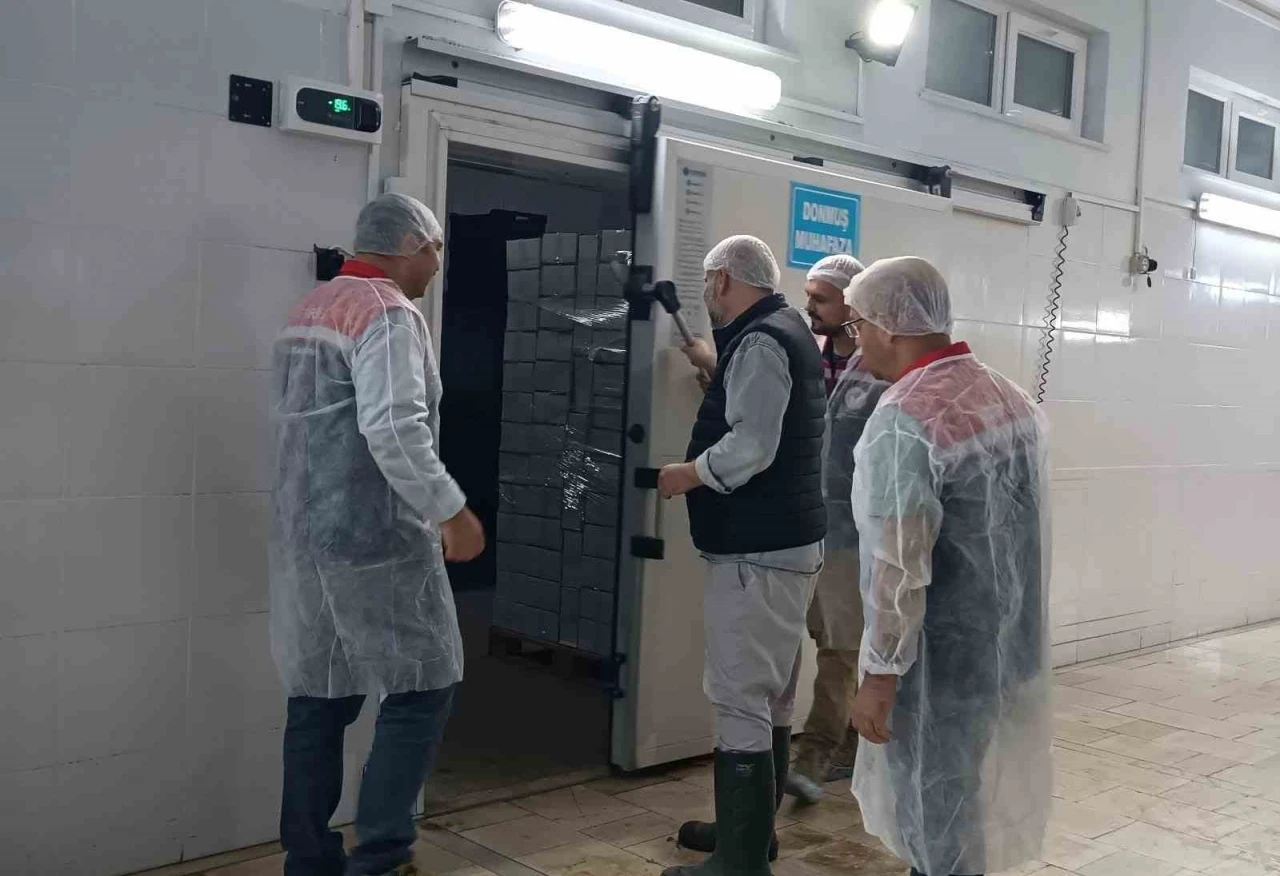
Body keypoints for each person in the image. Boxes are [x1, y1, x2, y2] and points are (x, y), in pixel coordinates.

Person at [270, 192, 486, 876]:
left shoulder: (308, 311)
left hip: (307, 541)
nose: (438, 266)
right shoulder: (388, 313)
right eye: (436, 249)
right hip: (374, 538)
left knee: (320, 695)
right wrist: (450, 509)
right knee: (424, 685)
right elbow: (393, 425)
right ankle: (384, 855)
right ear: (411, 245)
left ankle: (309, 859)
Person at [845, 257, 1051, 876]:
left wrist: (881, 673)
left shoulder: (906, 419)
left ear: (889, 327)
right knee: (957, 794)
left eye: (858, 325)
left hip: (934, 657)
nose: (855, 341)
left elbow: (899, 564)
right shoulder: (1010, 399)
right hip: (1000, 644)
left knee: (934, 805)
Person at [657, 235, 827, 876]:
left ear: (724, 279)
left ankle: (741, 861)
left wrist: (688, 474)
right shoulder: (785, 331)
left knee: (739, 696)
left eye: (708, 282)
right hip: (785, 545)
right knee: (771, 696)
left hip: (759, 553)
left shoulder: (760, 343)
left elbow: (753, 444)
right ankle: (751, 837)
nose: (706, 293)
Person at [784, 255, 889, 805]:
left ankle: (816, 754)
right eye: (809, 295)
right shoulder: (811, 357)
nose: (809, 307)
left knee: (840, 647)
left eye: (820, 298)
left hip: (855, 533)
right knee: (824, 637)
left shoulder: (880, 370)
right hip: (808, 524)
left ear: (853, 305)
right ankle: (846, 742)